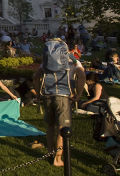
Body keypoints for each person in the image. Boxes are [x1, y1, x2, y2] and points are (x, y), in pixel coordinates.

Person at [34, 38, 85, 167]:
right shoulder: (73, 60)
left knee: (50, 126)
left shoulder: (46, 61)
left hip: (47, 95)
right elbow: (82, 76)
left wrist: (38, 92)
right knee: (63, 129)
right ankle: (57, 159)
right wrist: (78, 94)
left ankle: (50, 153)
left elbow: (36, 77)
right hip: (63, 96)